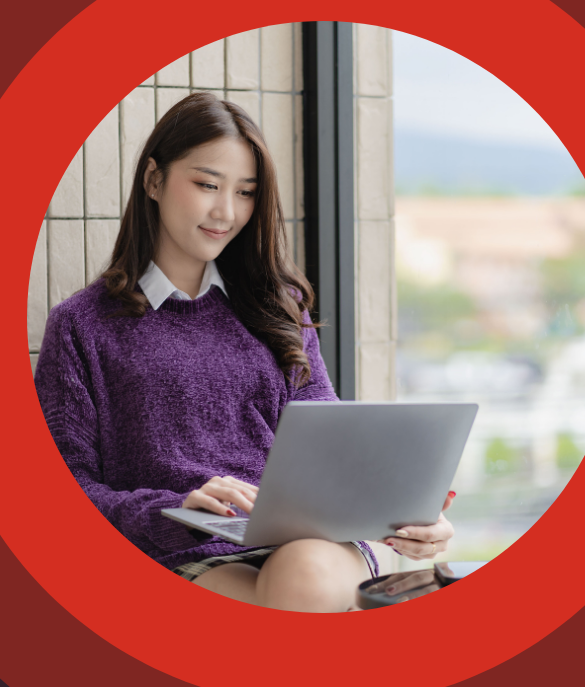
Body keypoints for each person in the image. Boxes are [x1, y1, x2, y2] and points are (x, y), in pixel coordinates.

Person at [34, 91, 455, 613]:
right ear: (154, 180)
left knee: (305, 569)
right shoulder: (84, 324)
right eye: (207, 184)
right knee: (301, 588)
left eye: (246, 193)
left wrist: (408, 515)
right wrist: (172, 507)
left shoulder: (279, 307)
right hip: (180, 551)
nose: (226, 212)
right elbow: (62, 490)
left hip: (311, 544)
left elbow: (331, 446)